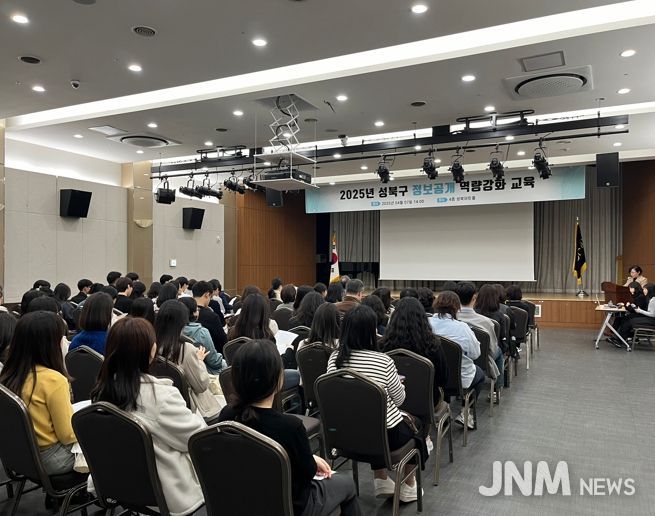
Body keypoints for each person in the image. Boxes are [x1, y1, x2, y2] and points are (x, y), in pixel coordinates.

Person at [218, 340, 361, 516]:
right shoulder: (290, 427)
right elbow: (306, 474)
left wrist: (307, 458)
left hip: (245, 500)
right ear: (278, 378)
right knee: (347, 484)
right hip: (291, 506)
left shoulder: (226, 416)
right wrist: (309, 459)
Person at [90, 317, 205, 516]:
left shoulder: (101, 391)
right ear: (151, 350)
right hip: (161, 491)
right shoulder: (161, 397)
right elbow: (197, 440)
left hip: (116, 480)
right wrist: (198, 416)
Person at [327, 305, 424, 503]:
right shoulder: (383, 361)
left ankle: (381, 478)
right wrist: (399, 385)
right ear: (370, 331)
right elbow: (400, 400)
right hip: (383, 437)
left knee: (367, 417)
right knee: (416, 427)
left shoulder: (334, 358)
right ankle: (409, 484)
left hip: (343, 434)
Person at [0, 312, 77, 474]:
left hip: (17, 454)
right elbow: (67, 436)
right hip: (51, 458)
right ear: (50, 344)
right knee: (103, 443)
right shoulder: (54, 380)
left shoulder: (8, 373)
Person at [155, 300, 221, 421]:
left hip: (158, 401)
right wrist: (199, 360)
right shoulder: (185, 349)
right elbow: (201, 386)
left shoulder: (151, 345)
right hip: (186, 407)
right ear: (182, 322)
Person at [429, 291, 484, 429]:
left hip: (433, 378)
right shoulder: (462, 328)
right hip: (459, 378)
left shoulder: (426, 324)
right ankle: (466, 413)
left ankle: (443, 410)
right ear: (456, 308)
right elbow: (476, 354)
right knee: (480, 375)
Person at [381, 297, 448, 404]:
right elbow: (442, 379)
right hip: (426, 401)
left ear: (394, 319)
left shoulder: (383, 345)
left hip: (393, 401)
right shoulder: (433, 346)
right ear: (422, 319)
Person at [228, 294, 299, 389]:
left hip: (238, 381)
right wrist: (288, 351)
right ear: (264, 313)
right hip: (265, 383)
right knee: (297, 375)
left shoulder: (232, 333)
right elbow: (275, 365)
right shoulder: (266, 335)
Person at [455, 282, 503, 396]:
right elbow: (492, 349)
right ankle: (496, 390)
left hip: (455, 361)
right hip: (481, 360)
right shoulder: (487, 322)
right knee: (499, 351)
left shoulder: (452, 319)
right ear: (474, 298)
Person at [179, 296, 227, 375]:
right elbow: (214, 362)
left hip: (182, 371)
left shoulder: (173, 330)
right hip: (203, 372)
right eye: (197, 309)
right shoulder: (201, 332)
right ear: (194, 313)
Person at [474, 284, 512, 357]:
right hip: (492, 351)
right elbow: (503, 337)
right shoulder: (500, 315)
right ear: (495, 298)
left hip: (476, 349)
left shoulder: (474, 313)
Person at [193, 280, 228, 354]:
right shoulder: (211, 316)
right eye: (210, 297)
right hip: (209, 354)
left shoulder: (185, 312)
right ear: (207, 295)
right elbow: (223, 340)